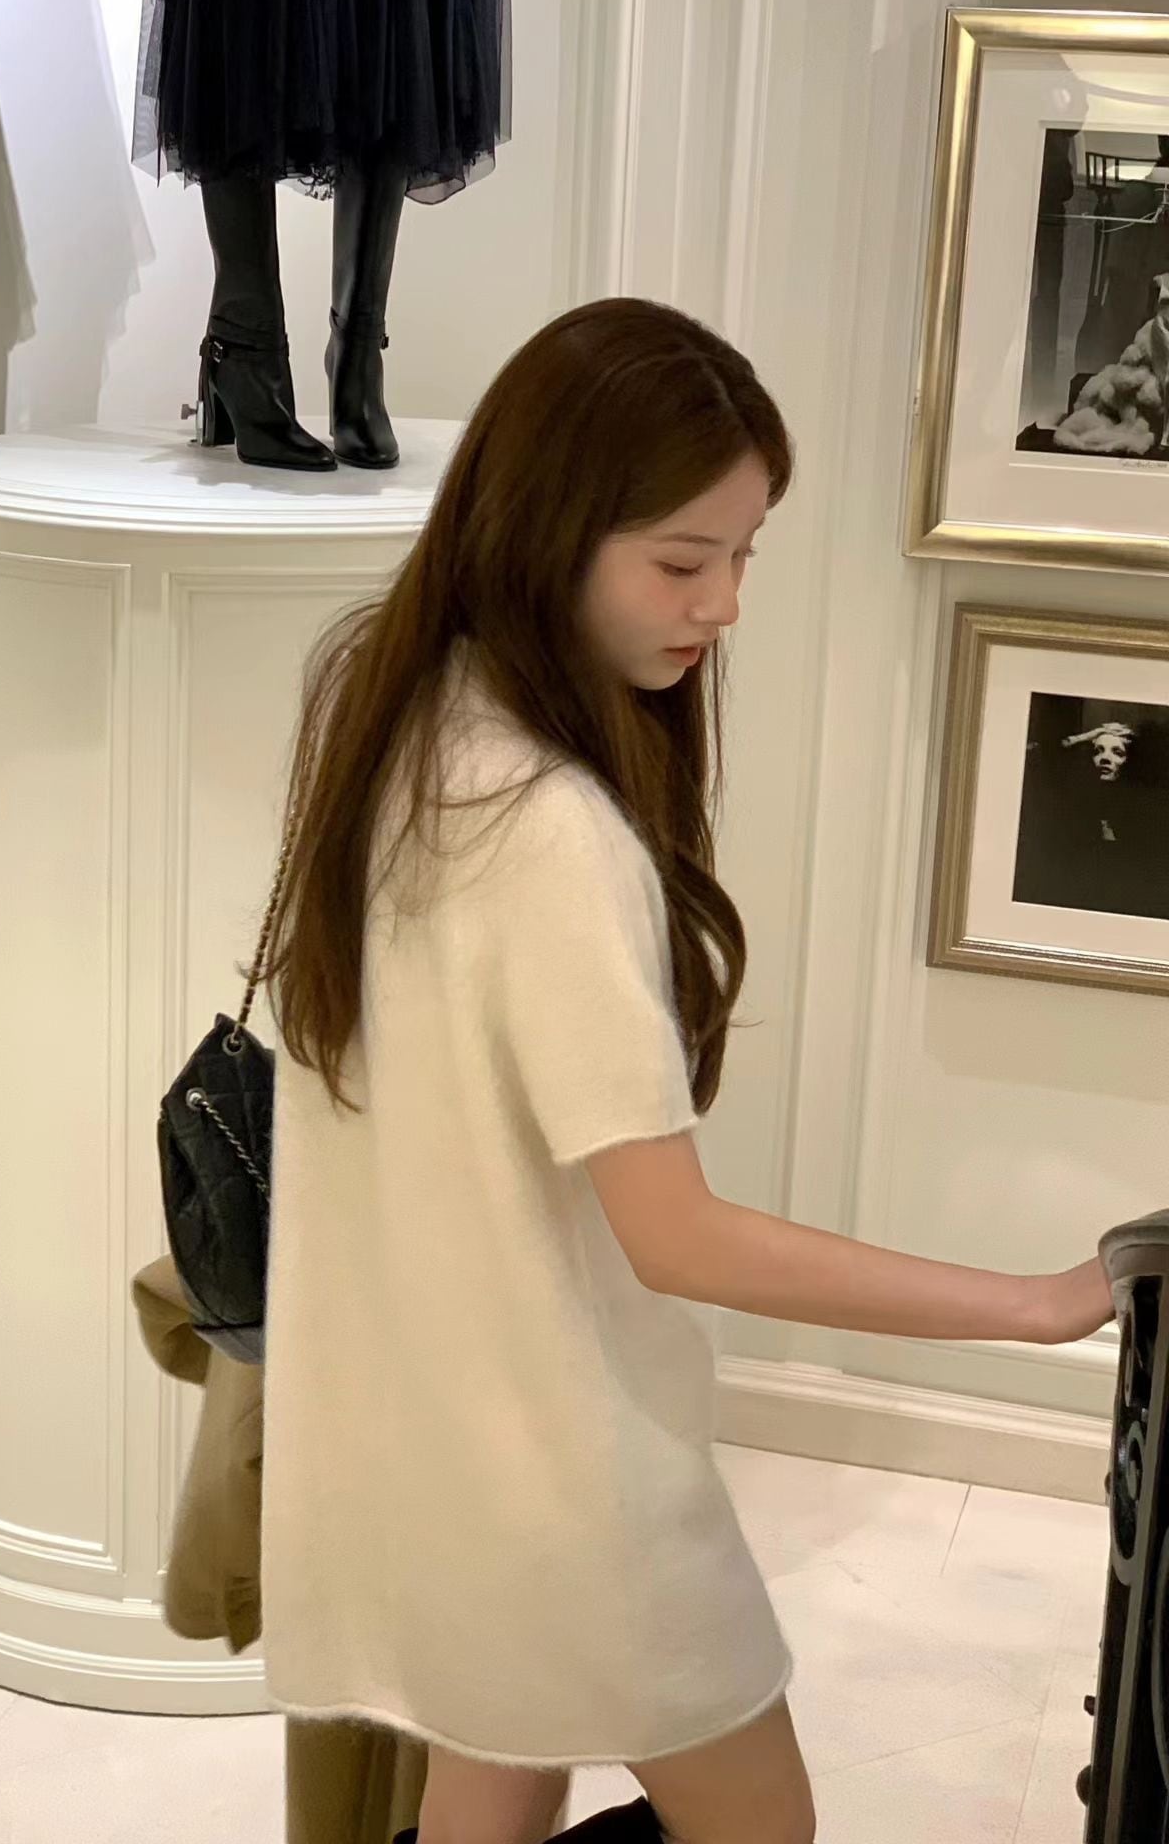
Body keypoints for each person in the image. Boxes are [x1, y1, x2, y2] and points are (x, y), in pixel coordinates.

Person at [253, 297, 1114, 1844]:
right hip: (564, 1482)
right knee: (758, 1825)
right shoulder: (548, 828)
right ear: (548, 531)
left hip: (424, 1453)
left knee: (492, 1771)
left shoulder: (387, 711)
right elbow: (679, 1238)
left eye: (744, 555)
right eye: (681, 561)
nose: (722, 605)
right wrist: (1034, 1306)